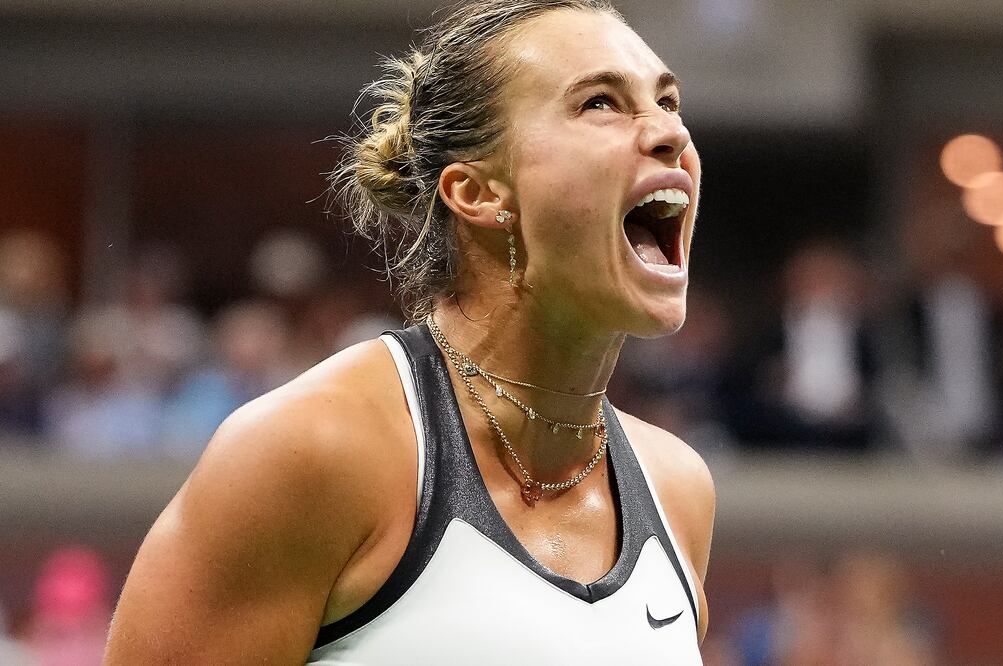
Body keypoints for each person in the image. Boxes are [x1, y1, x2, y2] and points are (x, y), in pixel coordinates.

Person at [104, 1, 714, 663]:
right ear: (477, 193)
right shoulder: (313, 451)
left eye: (669, 101)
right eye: (600, 103)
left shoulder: (678, 489)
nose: (668, 133)